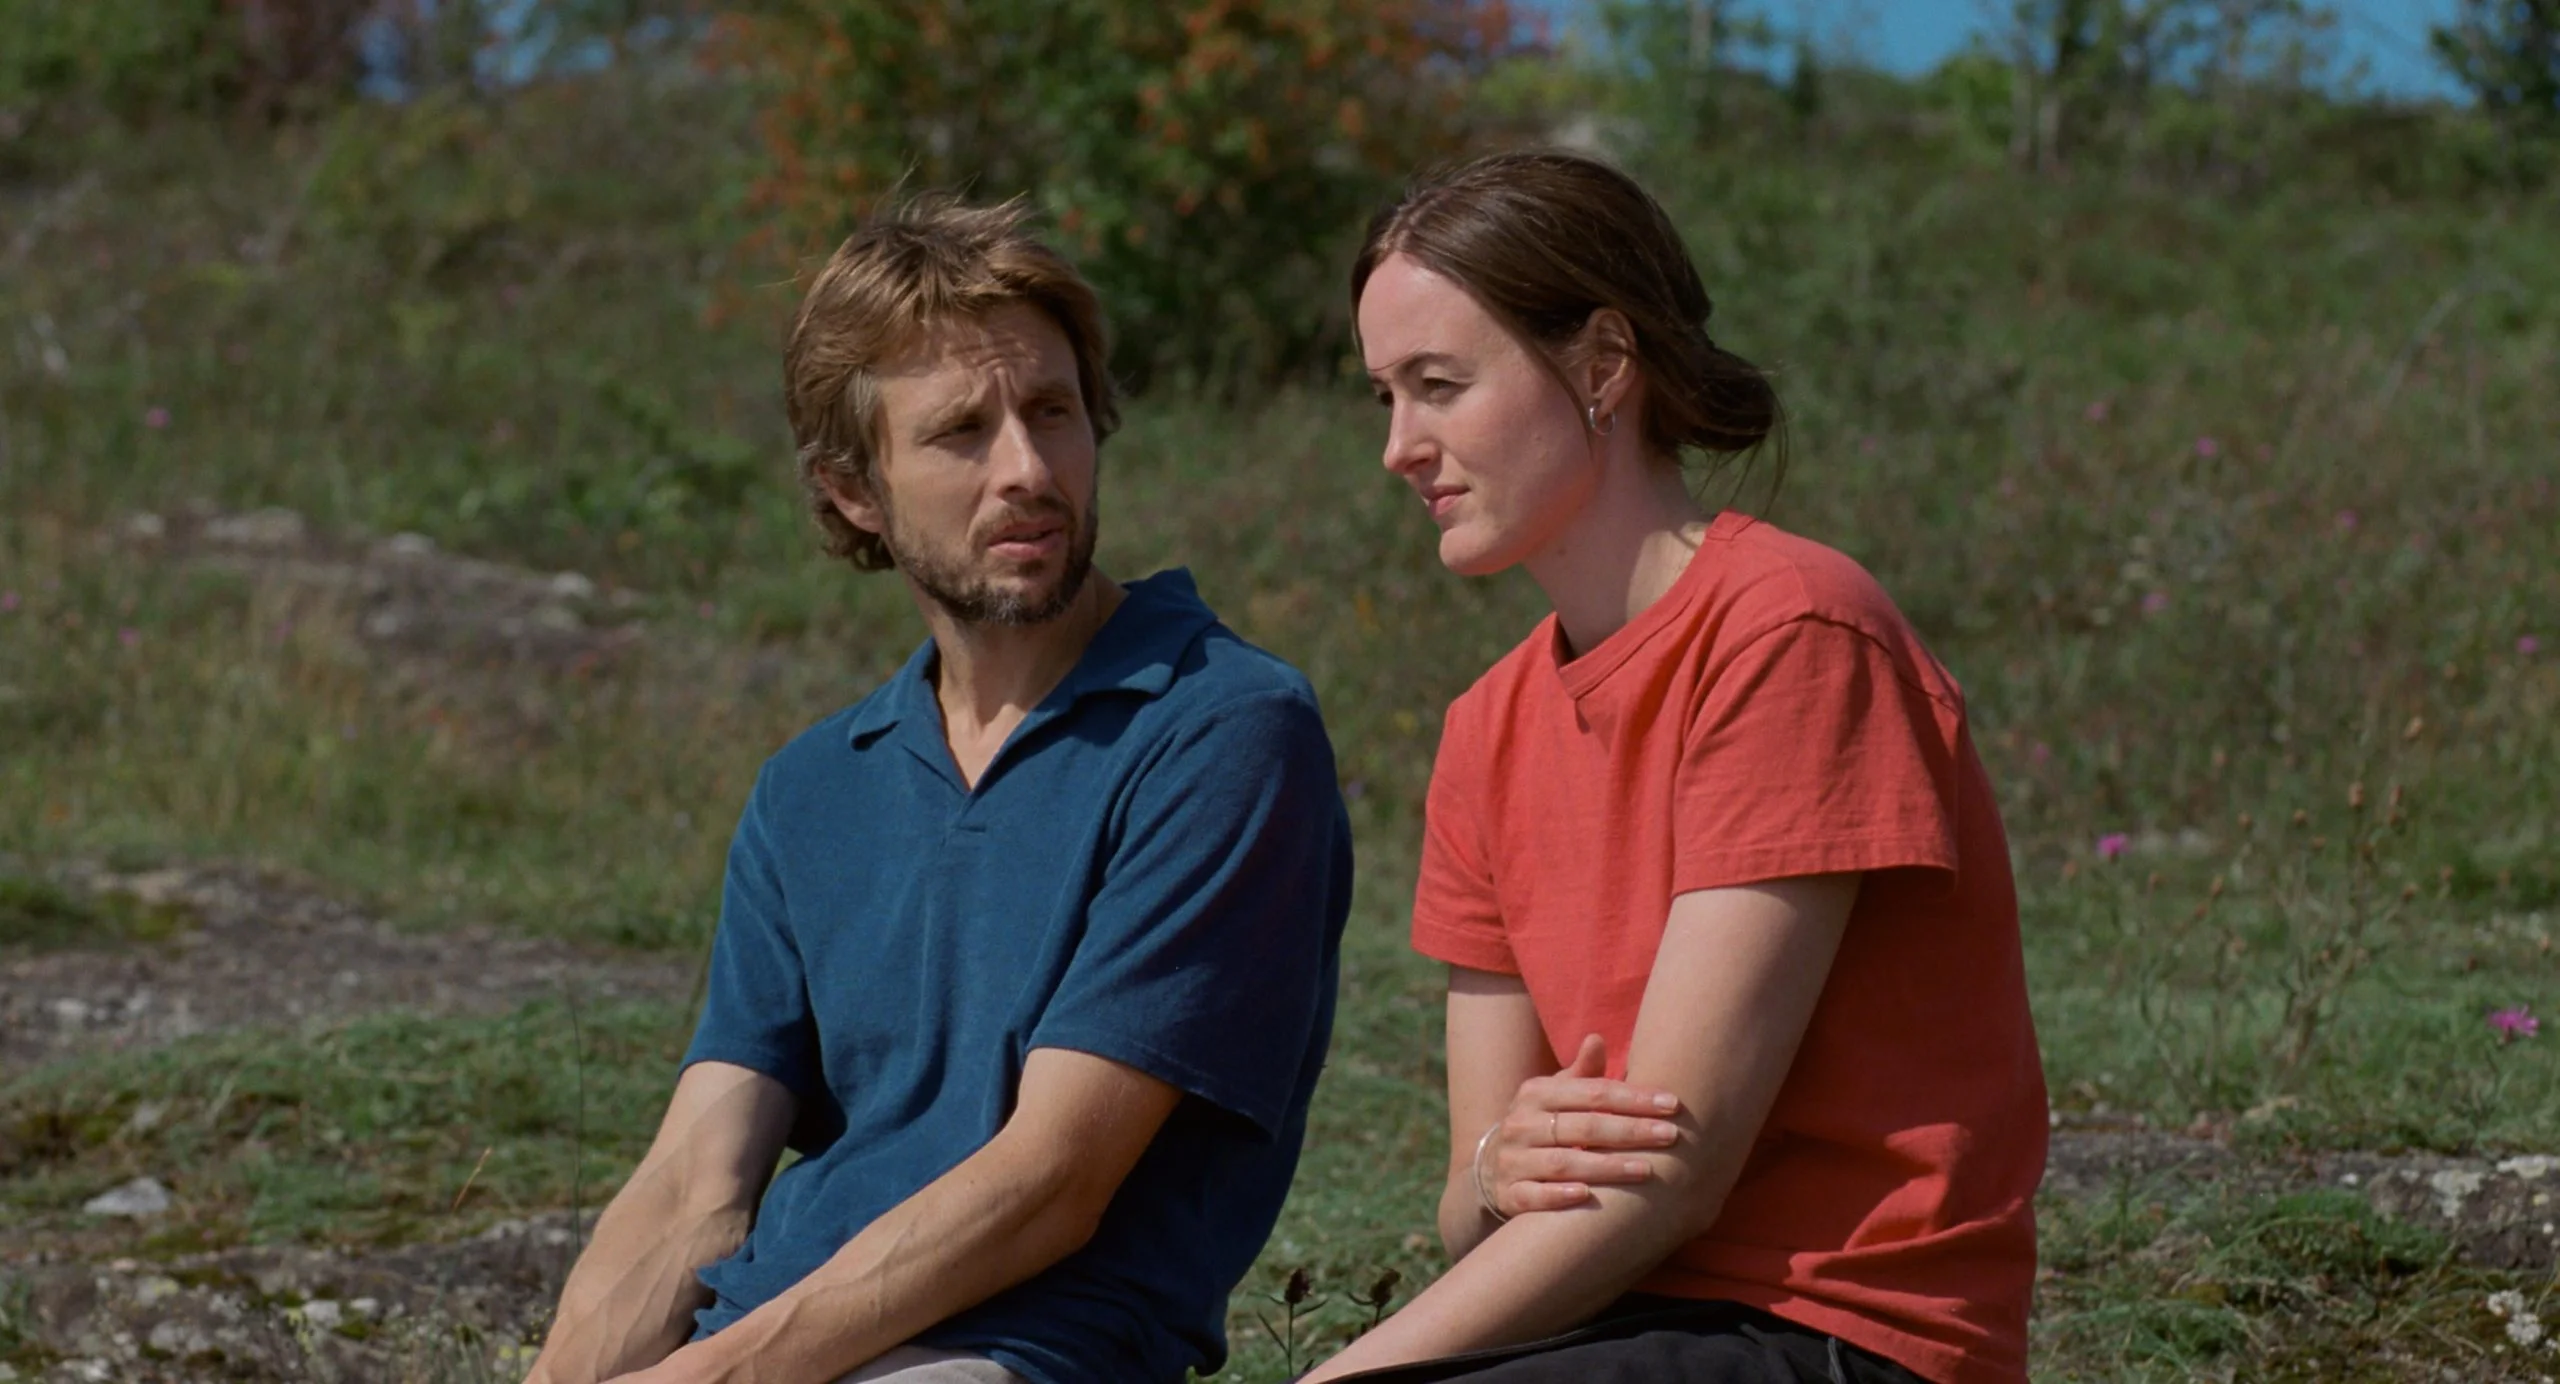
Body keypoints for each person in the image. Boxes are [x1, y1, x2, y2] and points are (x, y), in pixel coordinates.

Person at [522, 197, 1353, 1384]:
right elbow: (693, 1184)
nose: (1028, 470)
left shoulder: (1221, 727)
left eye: (1053, 412)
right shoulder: (811, 789)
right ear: (854, 489)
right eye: (962, 431)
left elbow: (1054, 1181)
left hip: (1018, 1354)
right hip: (765, 1346)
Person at [1301, 150, 2046, 1384]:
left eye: (1438, 386)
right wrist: (1495, 1168)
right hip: (1613, 1323)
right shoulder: (1484, 729)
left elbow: (1670, 1178)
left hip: (1842, 1334)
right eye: (1384, 395)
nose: (1398, 446)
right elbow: (1468, 1214)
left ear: (1603, 364)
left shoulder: (1792, 634)